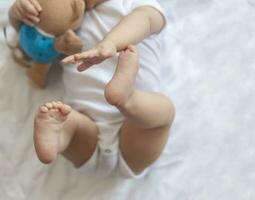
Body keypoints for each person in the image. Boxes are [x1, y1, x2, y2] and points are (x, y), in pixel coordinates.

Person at [9, 0, 175, 178]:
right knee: (68, 121)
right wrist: (17, 16)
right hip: (89, 134)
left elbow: (145, 20)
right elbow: (35, 43)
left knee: (163, 111)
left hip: (133, 127)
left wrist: (111, 43)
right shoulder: (68, 22)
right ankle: (59, 134)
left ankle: (127, 98)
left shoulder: (135, 5)